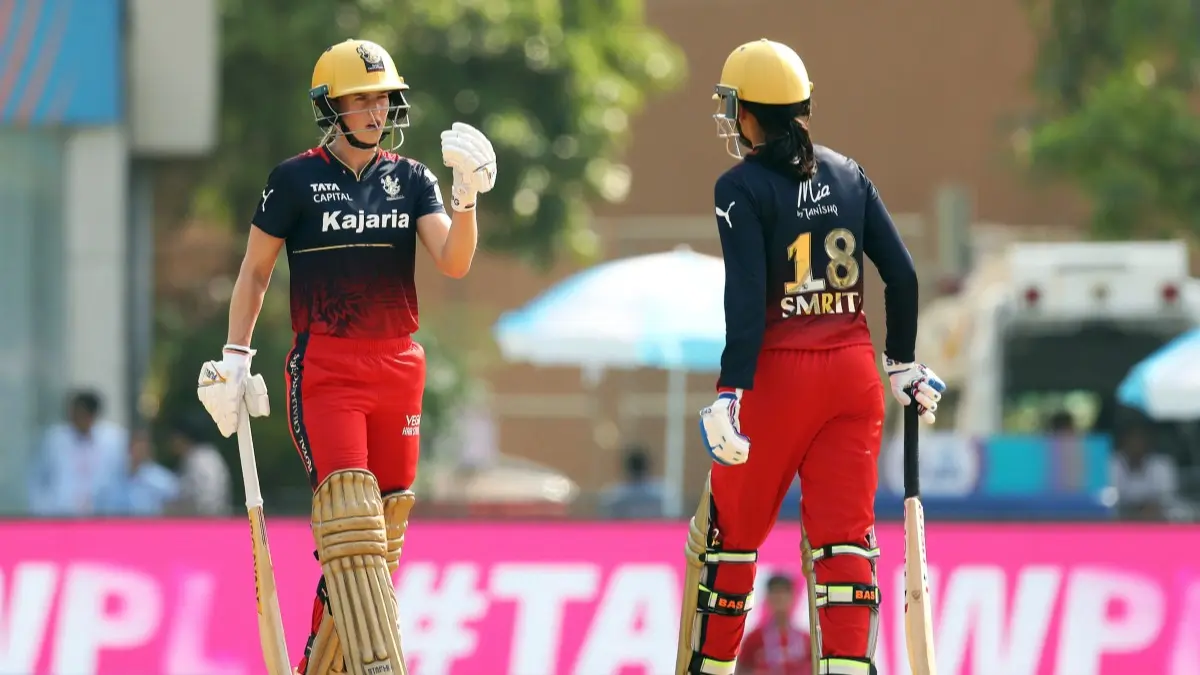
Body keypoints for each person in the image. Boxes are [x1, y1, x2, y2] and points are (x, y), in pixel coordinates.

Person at [196, 38, 497, 675]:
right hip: (328, 370)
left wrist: (466, 197)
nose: (376, 111)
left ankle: (321, 667)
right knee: (349, 524)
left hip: (399, 368)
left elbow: (456, 260)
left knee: (382, 535)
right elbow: (255, 272)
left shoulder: (411, 178)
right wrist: (236, 354)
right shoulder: (295, 179)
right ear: (331, 107)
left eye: (383, 99)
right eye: (360, 100)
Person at [675, 39, 945, 675]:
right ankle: (851, 667)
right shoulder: (850, 172)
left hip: (777, 374)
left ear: (748, 114)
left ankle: (712, 667)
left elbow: (743, 299)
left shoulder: (738, 186)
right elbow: (902, 277)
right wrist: (902, 363)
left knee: (732, 542)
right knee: (845, 543)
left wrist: (729, 392)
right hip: (853, 374)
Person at [28, 390, 129, 516]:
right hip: (61, 515)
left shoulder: (114, 440)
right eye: (74, 413)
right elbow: (38, 478)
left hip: (102, 515)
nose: (76, 418)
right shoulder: (55, 439)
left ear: (93, 415)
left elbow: (124, 477)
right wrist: (42, 510)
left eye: (82, 414)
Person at [737, 575, 812, 675]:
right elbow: (741, 670)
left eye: (784, 593)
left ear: (793, 597)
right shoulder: (754, 638)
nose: (779, 598)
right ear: (767, 598)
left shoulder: (806, 639)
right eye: (775, 593)